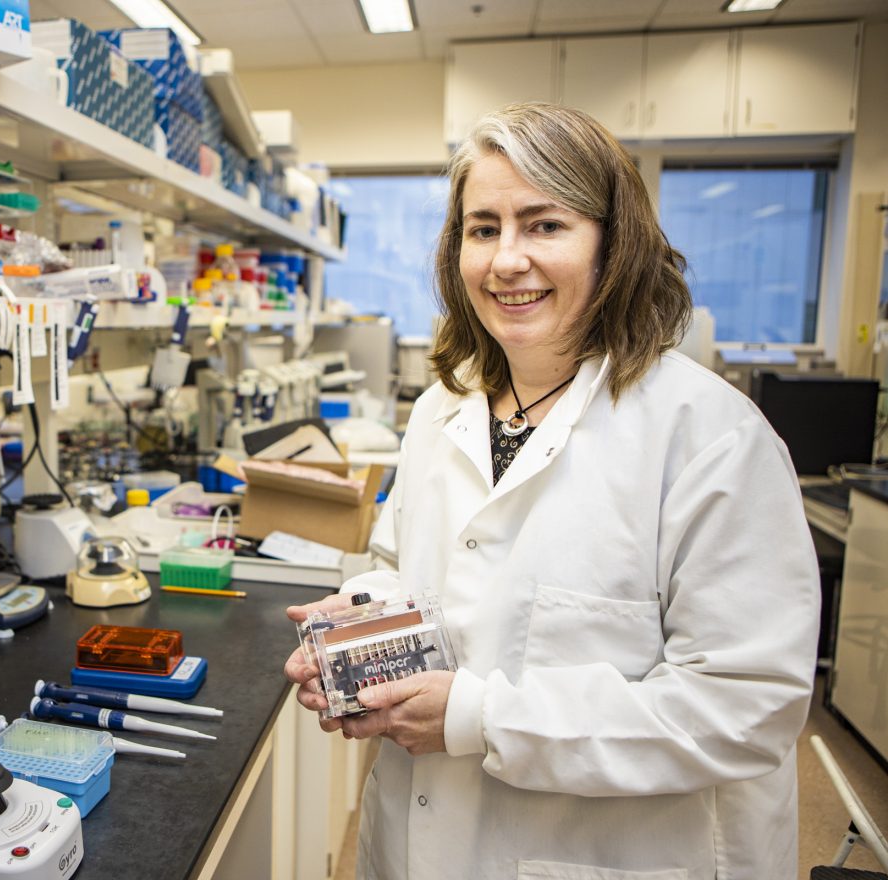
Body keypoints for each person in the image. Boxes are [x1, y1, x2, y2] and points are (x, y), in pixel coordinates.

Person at [284, 102, 819, 879]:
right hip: (419, 839)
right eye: (483, 229)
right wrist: (362, 622)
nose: (507, 260)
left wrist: (479, 718)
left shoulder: (709, 437)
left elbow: (745, 707)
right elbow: (406, 568)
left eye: (544, 225)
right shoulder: (441, 409)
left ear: (613, 244)